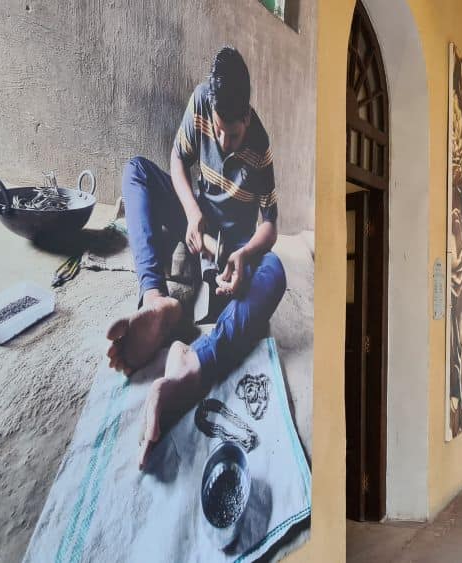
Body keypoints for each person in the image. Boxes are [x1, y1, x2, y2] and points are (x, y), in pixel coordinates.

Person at [105, 47, 285, 469]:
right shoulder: (202, 101)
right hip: (197, 222)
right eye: (219, 131)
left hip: (232, 242)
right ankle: (156, 301)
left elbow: (271, 224)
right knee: (136, 172)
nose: (223, 142)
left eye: (233, 135)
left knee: (275, 270)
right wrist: (190, 210)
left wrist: (244, 254)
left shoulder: (260, 147)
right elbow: (177, 160)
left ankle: (196, 362)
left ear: (248, 117)